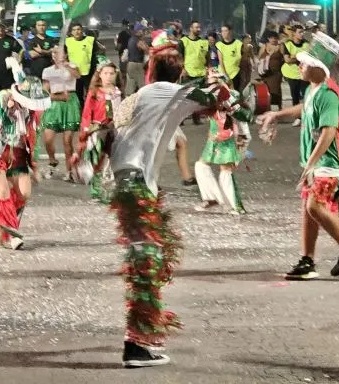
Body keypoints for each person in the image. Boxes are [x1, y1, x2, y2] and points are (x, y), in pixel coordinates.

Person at [68, 30, 241, 367]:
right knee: (145, 262)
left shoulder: (139, 96)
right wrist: (218, 82)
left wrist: (91, 162)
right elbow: (222, 100)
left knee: (150, 258)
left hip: (129, 183)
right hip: (134, 186)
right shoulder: (171, 93)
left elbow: (109, 133)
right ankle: (136, 345)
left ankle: (143, 339)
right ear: (176, 72)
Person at [257, 33, 339, 281]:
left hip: (328, 163)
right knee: (309, 211)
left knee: (314, 205)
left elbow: (328, 132)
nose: (299, 66)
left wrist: (311, 164)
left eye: (304, 63)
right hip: (318, 163)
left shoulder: (328, 95)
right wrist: (276, 115)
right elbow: (304, 108)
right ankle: (307, 261)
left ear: (319, 68)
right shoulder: (314, 89)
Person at [0, 73, 51, 250]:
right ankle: (11, 234)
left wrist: (35, 165)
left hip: (18, 153)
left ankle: (3, 228)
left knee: (24, 193)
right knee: (2, 193)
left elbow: (35, 135)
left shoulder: (36, 110)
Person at [193, 71, 253, 215]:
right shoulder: (209, 95)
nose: (209, 85)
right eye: (208, 82)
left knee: (225, 170)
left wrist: (230, 108)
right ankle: (211, 198)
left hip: (231, 137)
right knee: (201, 165)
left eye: (213, 82)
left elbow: (247, 116)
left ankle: (236, 206)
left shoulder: (232, 95)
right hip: (214, 137)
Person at [78, 61, 122, 202]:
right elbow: (86, 114)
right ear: (100, 74)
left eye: (111, 73)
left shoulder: (118, 91)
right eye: (105, 73)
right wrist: (86, 131)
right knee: (97, 160)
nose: (108, 76)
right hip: (98, 130)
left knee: (111, 160)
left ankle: (109, 190)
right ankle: (96, 191)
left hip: (114, 130)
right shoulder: (95, 92)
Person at [40, 47, 81, 180]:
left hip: (70, 102)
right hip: (54, 102)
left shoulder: (72, 66)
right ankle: (52, 161)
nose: (56, 54)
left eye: (59, 52)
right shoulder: (47, 70)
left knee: (67, 141)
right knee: (48, 138)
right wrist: (54, 97)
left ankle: (69, 170)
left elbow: (78, 75)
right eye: (54, 52)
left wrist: (66, 65)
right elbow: (44, 90)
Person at [66, 22, 104, 103]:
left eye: (78, 29)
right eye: (74, 30)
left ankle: (90, 110)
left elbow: (101, 51)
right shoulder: (67, 42)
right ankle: (81, 111)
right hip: (74, 74)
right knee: (78, 95)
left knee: (91, 94)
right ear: (71, 32)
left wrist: (99, 67)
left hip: (88, 73)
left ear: (82, 30)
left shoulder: (90, 40)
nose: (76, 32)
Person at [282, 25, 309, 121]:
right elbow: (287, 60)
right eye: (300, 32)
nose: (302, 34)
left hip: (304, 74)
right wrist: (300, 57)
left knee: (307, 95)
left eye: (303, 32)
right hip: (291, 74)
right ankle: (297, 117)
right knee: (295, 96)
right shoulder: (288, 44)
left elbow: (308, 58)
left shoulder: (306, 44)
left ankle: (307, 115)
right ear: (294, 33)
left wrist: (294, 56)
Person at [217, 24, 244, 91]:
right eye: (222, 31)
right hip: (223, 74)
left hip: (235, 73)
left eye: (226, 31)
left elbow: (242, 58)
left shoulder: (238, 43)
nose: (223, 33)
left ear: (231, 31)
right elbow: (221, 61)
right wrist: (225, 75)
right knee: (224, 95)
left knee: (235, 94)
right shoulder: (219, 45)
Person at [124, 23, 148, 96]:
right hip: (137, 65)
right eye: (143, 30)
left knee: (130, 85)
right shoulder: (138, 41)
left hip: (130, 64)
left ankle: (128, 100)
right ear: (139, 31)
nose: (144, 32)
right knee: (142, 85)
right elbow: (147, 50)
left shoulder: (131, 39)